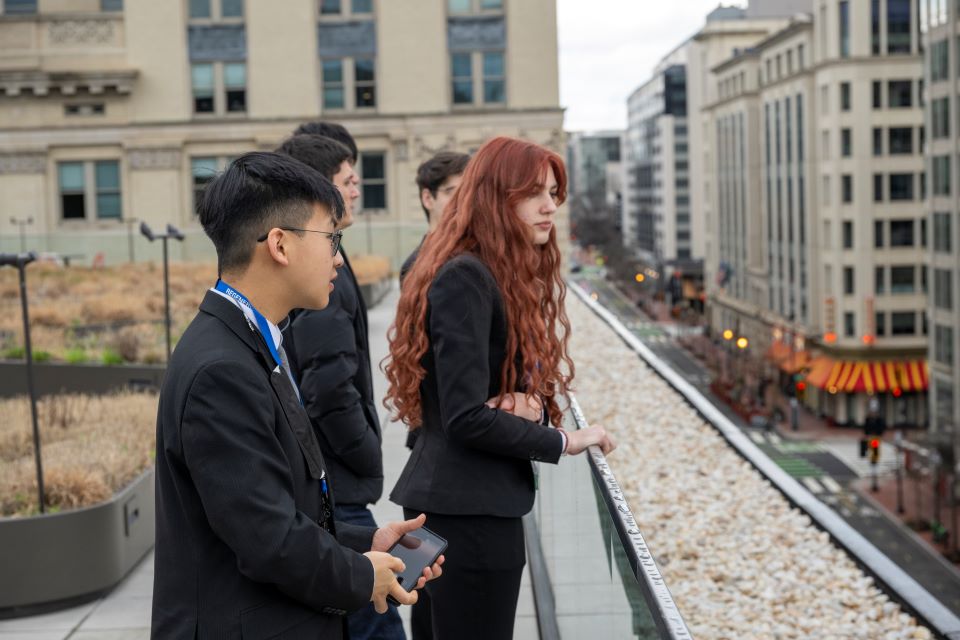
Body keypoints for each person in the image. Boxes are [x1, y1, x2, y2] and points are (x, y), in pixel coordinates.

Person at [152, 151, 441, 638]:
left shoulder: (251, 338)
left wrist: (367, 540)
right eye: (331, 237)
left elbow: (279, 511)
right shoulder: (221, 369)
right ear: (280, 245)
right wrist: (362, 574)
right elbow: (267, 538)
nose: (337, 257)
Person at [383, 136, 616, 640]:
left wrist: (523, 401)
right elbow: (466, 416)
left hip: (463, 502)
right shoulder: (466, 276)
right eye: (534, 193)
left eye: (554, 192)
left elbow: (471, 393)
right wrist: (564, 440)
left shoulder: (488, 271)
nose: (550, 206)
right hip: (465, 510)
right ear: (494, 196)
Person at [275, 132, 406, 640]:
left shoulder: (333, 262)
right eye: (348, 182)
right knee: (377, 624)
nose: (356, 191)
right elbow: (328, 387)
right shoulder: (322, 276)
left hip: (337, 483)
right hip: (337, 480)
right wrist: (366, 454)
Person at [399, 151, 470, 284]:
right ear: (428, 199)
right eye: (452, 192)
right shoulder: (412, 267)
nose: (462, 200)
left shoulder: (477, 254)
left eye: (467, 193)